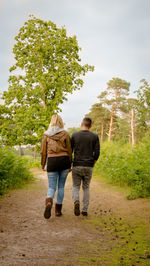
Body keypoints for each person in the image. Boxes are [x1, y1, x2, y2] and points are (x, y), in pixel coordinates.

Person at [41, 114, 72, 219]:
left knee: (51, 187)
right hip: (64, 161)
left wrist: (43, 164)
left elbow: (43, 152)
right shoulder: (66, 134)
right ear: (60, 122)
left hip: (52, 161)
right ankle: (58, 211)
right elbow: (69, 150)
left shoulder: (46, 135)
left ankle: (49, 203)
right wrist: (70, 163)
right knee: (61, 187)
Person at [71, 117, 100, 216]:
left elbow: (70, 151)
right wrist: (93, 163)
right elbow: (97, 153)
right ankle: (84, 210)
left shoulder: (74, 135)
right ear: (90, 126)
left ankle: (76, 201)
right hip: (89, 166)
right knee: (86, 187)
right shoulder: (94, 136)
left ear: (81, 124)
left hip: (77, 165)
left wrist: (71, 163)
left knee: (75, 186)